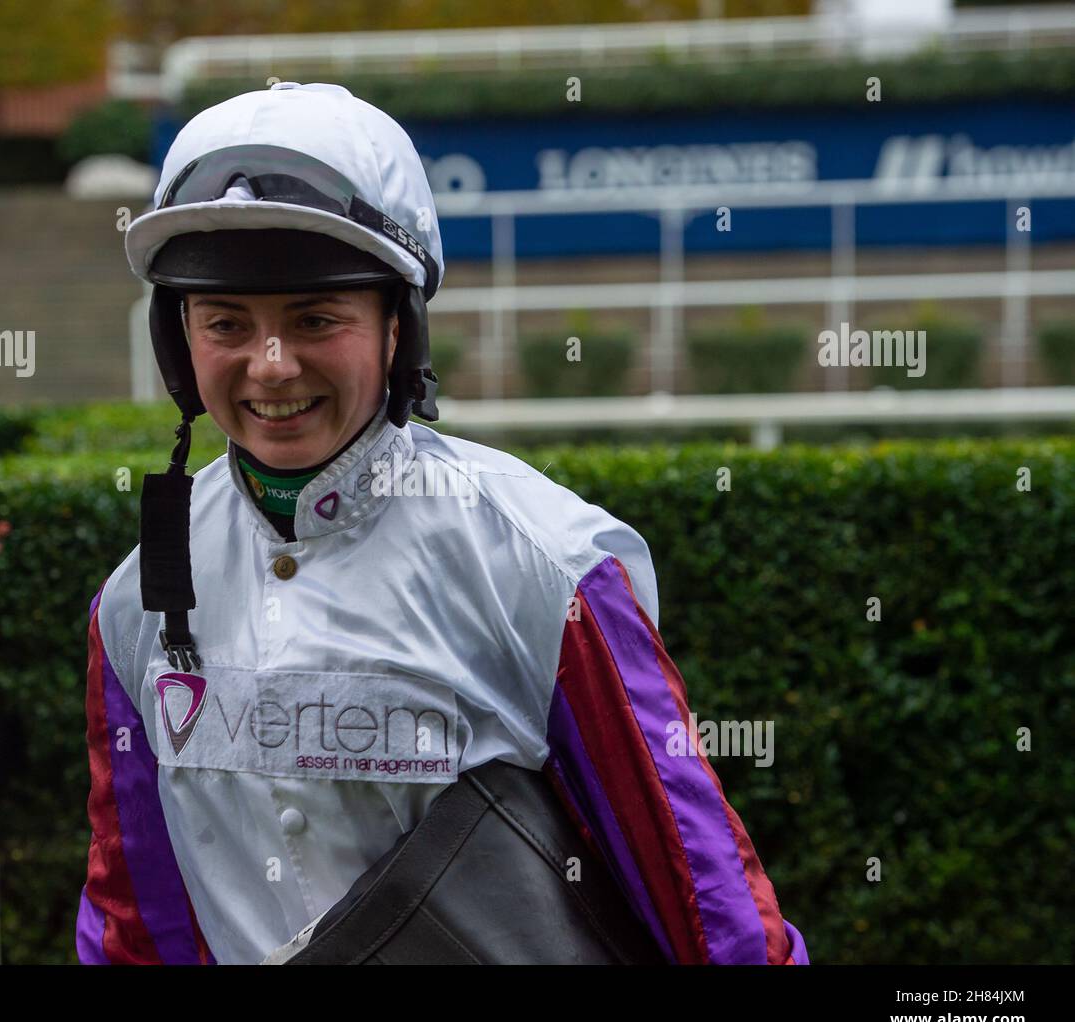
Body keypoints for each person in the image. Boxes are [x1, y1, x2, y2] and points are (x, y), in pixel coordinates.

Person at [76, 81, 808, 965]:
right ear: (176, 342)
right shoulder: (136, 597)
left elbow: (701, 894)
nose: (269, 367)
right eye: (225, 323)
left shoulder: (544, 564)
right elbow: (136, 916)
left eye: (316, 319)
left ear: (398, 331)